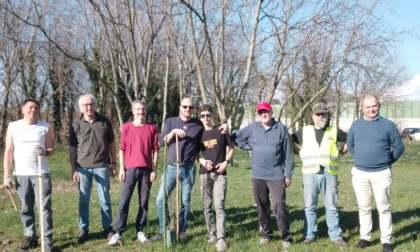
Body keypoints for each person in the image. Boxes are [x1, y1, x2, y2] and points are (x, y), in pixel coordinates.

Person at [151, 97, 228, 242]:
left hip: (189, 168)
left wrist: (226, 126)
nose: (188, 109)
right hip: (172, 167)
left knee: (185, 202)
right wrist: (173, 132)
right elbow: (161, 142)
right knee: (161, 199)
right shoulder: (171, 122)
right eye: (185, 107)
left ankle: (182, 231)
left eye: (191, 107)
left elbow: (211, 127)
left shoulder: (197, 124)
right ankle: (164, 230)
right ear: (180, 107)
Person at [231, 101, 294, 252]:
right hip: (258, 174)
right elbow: (234, 137)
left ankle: (286, 237)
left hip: (276, 174)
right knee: (262, 206)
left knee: (279, 205)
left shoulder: (281, 129)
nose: (264, 114)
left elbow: (289, 153)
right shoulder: (252, 128)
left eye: (266, 111)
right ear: (258, 114)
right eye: (261, 112)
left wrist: (288, 174)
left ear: (271, 112)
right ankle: (266, 235)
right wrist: (246, 147)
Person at [347, 94, 405, 252]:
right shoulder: (356, 125)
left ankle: (386, 241)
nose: (371, 109)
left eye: (374, 106)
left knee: (383, 208)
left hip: (381, 174)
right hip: (360, 174)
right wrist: (361, 158)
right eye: (368, 107)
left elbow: (399, 148)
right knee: (364, 207)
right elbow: (350, 146)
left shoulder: (388, 125)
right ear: (363, 108)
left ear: (378, 106)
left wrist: (386, 161)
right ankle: (365, 237)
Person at [291, 103, 348, 248]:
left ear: (328, 116)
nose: (321, 116)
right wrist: (300, 153)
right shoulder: (305, 130)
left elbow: (350, 139)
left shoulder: (334, 131)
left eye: (324, 114)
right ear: (312, 116)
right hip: (310, 174)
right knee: (309, 206)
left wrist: (340, 153)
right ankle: (309, 235)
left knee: (332, 206)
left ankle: (335, 235)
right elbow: (290, 141)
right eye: (318, 114)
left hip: (329, 173)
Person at [3, 98, 55, 251]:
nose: (33, 110)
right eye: (30, 107)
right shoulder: (13, 126)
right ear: (23, 109)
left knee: (44, 208)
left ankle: (47, 241)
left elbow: (51, 149)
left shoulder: (44, 127)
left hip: (41, 173)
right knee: (26, 208)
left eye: (36, 108)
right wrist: (7, 175)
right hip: (21, 174)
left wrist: (45, 151)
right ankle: (30, 237)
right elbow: (9, 151)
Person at [108, 101, 159, 246]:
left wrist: (154, 169)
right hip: (130, 170)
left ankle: (140, 230)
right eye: (138, 109)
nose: (140, 111)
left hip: (146, 170)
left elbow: (155, 149)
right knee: (124, 201)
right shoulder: (127, 127)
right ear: (133, 111)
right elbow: (122, 148)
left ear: (146, 110)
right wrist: (122, 168)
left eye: (143, 109)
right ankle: (118, 232)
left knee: (144, 202)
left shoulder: (152, 127)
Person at [68, 94, 117, 244]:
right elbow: (72, 148)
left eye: (91, 104)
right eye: (85, 105)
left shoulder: (104, 121)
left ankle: (107, 228)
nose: (89, 107)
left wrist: (114, 162)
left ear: (95, 105)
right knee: (84, 200)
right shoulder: (75, 124)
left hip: (102, 165)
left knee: (105, 199)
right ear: (80, 107)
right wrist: (73, 169)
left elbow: (111, 143)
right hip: (82, 167)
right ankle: (84, 229)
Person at [197, 105, 235, 252]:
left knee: (219, 205)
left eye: (208, 115)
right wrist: (202, 161)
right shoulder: (199, 134)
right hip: (204, 174)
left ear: (212, 116)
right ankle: (211, 234)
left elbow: (231, 148)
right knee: (207, 206)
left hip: (220, 174)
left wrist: (226, 162)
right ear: (200, 118)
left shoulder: (221, 131)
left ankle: (221, 239)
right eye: (203, 116)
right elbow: (195, 154)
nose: (205, 118)